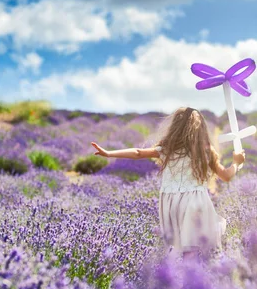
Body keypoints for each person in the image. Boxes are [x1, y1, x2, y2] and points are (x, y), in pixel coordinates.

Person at [91, 107, 245, 260]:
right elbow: (226, 176)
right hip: (195, 202)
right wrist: (237, 163)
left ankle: (187, 277)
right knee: (197, 244)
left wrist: (109, 153)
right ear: (201, 128)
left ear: (175, 127)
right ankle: (197, 276)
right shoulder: (205, 151)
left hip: (172, 203)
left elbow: (138, 153)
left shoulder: (168, 149)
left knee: (183, 245)